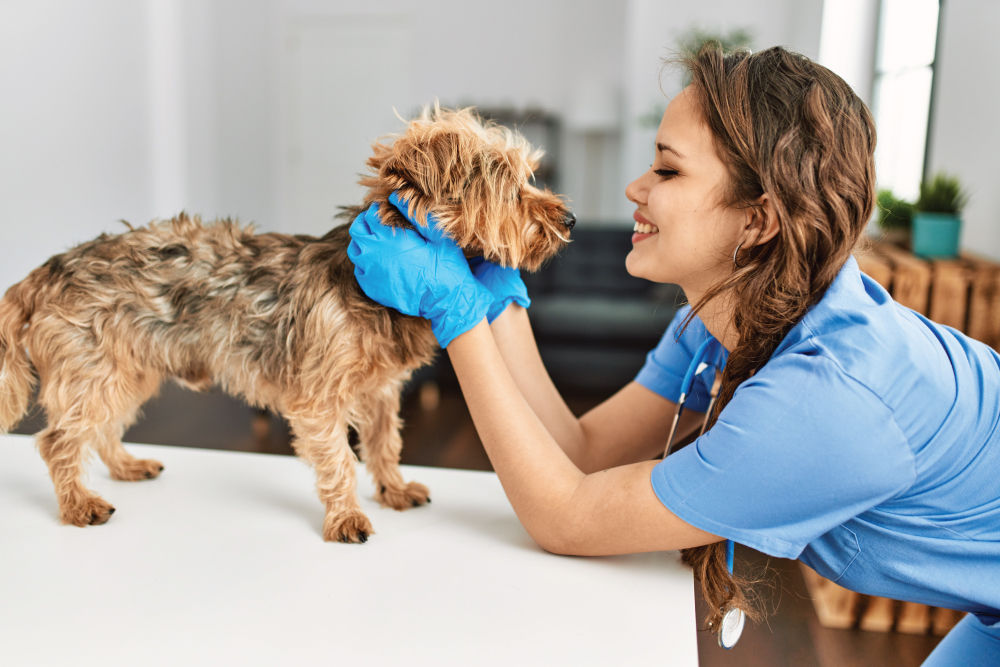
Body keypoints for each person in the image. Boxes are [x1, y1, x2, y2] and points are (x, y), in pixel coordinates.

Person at [348, 46, 1000, 664]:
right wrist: (498, 300)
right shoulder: (728, 315)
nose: (635, 187)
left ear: (758, 220)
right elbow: (583, 453)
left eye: (666, 168)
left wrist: (455, 316)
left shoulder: (823, 400)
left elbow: (567, 516)